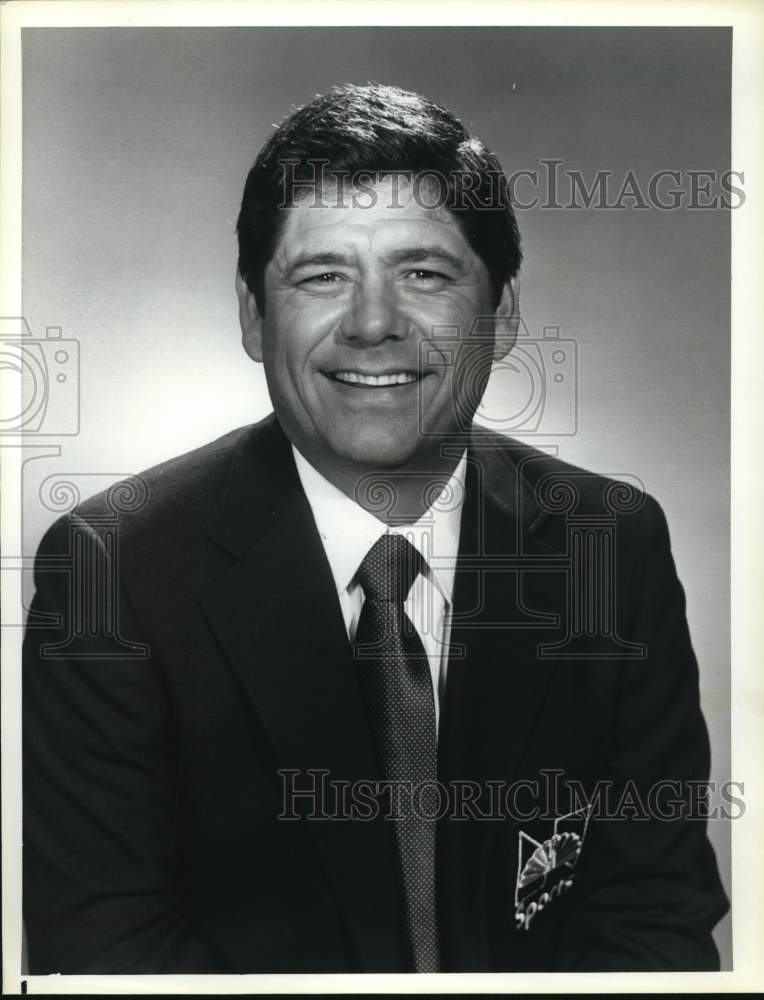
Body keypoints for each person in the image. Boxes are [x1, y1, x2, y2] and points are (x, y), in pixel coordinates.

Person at [23, 83, 728, 974]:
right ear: (252, 316)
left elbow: (654, 925)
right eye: (323, 276)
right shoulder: (114, 569)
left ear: (503, 312)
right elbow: (107, 956)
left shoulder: (610, 545)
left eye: (424, 274)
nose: (372, 325)